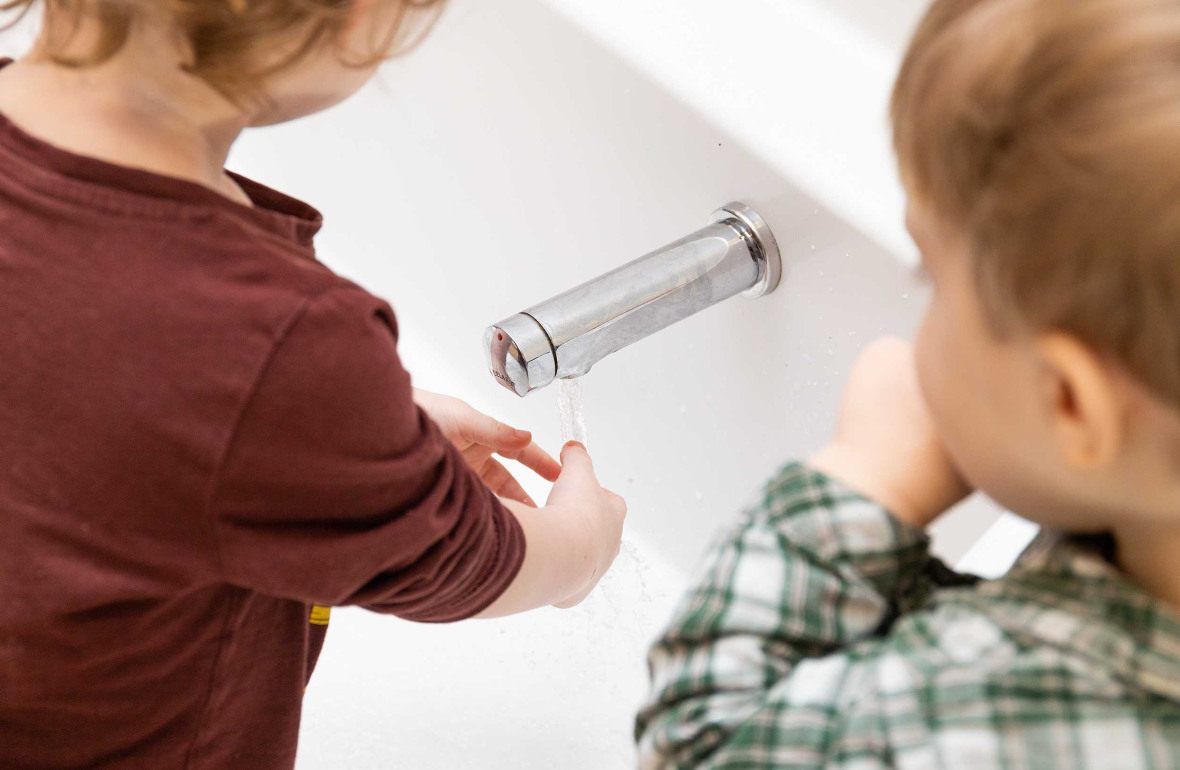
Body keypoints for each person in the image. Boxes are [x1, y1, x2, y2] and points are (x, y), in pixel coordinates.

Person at [0, 1, 625, 767]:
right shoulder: (270, 336)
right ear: (361, 18)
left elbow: (65, 382)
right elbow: (464, 561)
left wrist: (325, 432)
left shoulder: (252, 354)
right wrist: (583, 545)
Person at [636, 0, 1180, 766]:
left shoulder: (986, 712)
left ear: (1068, 404)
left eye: (932, 277)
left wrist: (864, 481)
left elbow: (700, 743)